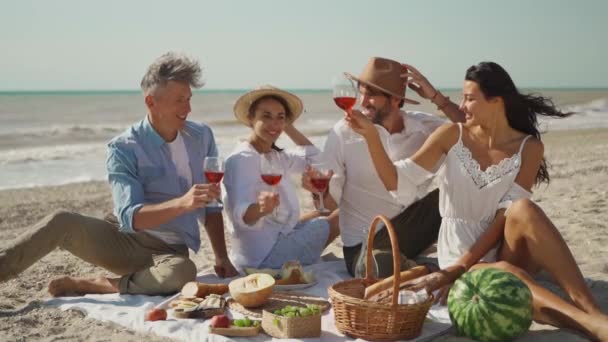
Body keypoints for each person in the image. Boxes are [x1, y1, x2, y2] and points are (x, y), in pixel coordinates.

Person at [347, 61, 608, 340]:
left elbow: (504, 217)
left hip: (504, 243)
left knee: (523, 208)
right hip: (459, 248)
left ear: (496, 101)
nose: (464, 105)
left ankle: (592, 311)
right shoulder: (452, 135)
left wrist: (456, 271)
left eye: (470, 99)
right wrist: (372, 137)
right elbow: (396, 182)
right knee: (506, 274)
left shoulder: (529, 147)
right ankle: (591, 325)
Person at [0, 52, 238, 297]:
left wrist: (221, 256)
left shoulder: (202, 137)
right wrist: (183, 203)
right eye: (179, 100)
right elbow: (129, 216)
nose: (187, 108)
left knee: (181, 273)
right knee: (61, 221)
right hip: (123, 240)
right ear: (151, 101)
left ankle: (100, 285)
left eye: (189, 99)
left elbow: (211, 205)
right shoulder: (124, 147)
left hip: (170, 252)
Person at [303, 57, 465, 277]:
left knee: (461, 190)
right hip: (366, 246)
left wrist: (436, 97)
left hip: (412, 232)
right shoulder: (343, 132)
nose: (362, 101)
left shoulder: (423, 128)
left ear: (396, 99)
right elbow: (330, 205)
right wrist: (319, 191)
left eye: (371, 94)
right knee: (377, 267)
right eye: (361, 93)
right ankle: (418, 269)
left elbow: (474, 131)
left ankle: (428, 264)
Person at [223, 86, 340, 270]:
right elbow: (240, 215)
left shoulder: (273, 155)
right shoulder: (243, 159)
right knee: (347, 213)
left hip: (279, 235)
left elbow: (315, 156)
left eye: (280, 117)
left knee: (325, 212)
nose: (274, 124)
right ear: (251, 119)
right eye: (266, 116)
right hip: (266, 257)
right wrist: (261, 209)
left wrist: (287, 126)